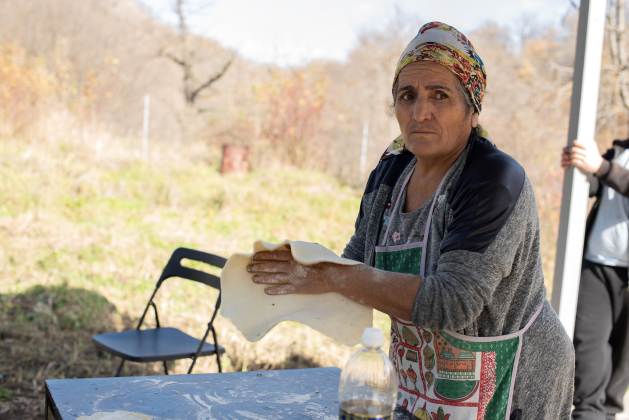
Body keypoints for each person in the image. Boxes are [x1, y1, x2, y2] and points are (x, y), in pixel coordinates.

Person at [248, 22, 574, 419]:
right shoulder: (391, 171)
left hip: (512, 381)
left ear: (472, 109)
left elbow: (452, 303)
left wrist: (330, 275)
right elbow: (359, 264)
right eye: (408, 96)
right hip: (423, 379)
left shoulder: (492, 178)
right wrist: (299, 273)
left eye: (440, 95)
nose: (421, 112)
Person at [562, 139, 629, 419]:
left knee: (619, 370)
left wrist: (602, 168)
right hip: (596, 267)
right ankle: (587, 413)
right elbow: (595, 185)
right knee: (588, 355)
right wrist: (580, 170)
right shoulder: (620, 151)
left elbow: (607, 173)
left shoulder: (610, 162)